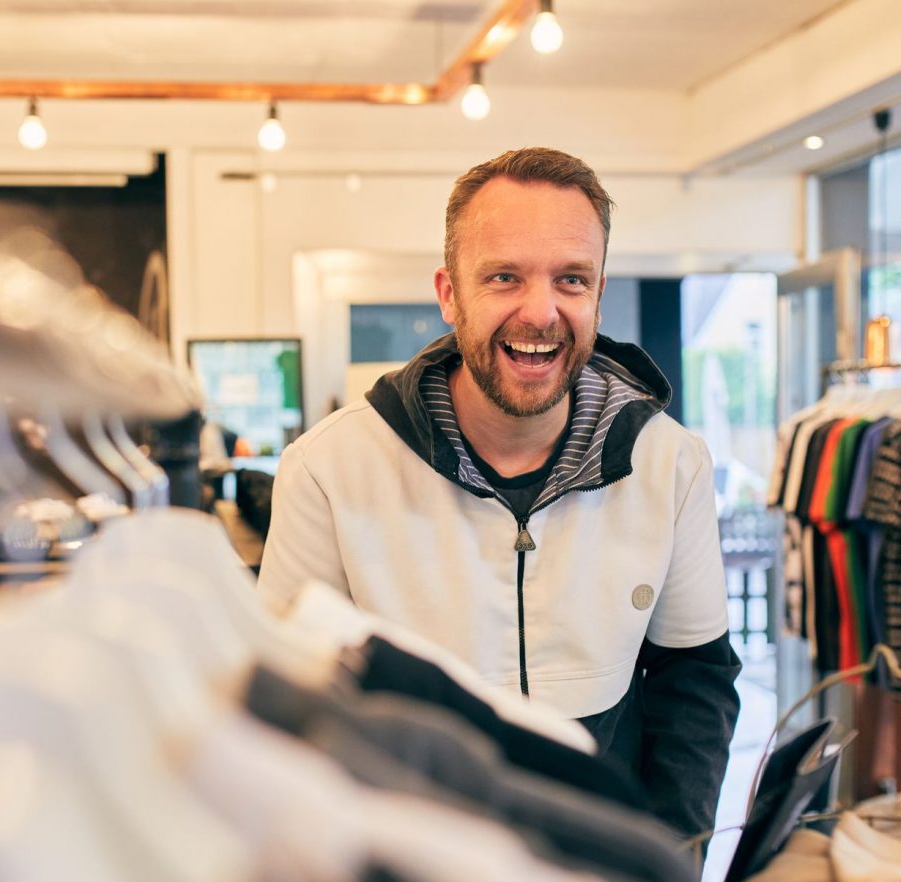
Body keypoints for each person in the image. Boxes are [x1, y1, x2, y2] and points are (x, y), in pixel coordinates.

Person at [257, 147, 740, 840]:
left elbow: (693, 679)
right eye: (504, 277)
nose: (540, 311)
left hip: (605, 866)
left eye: (571, 280)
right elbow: (293, 702)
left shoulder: (672, 463)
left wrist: (670, 859)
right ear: (449, 294)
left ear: (599, 293)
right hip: (413, 878)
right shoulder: (329, 469)